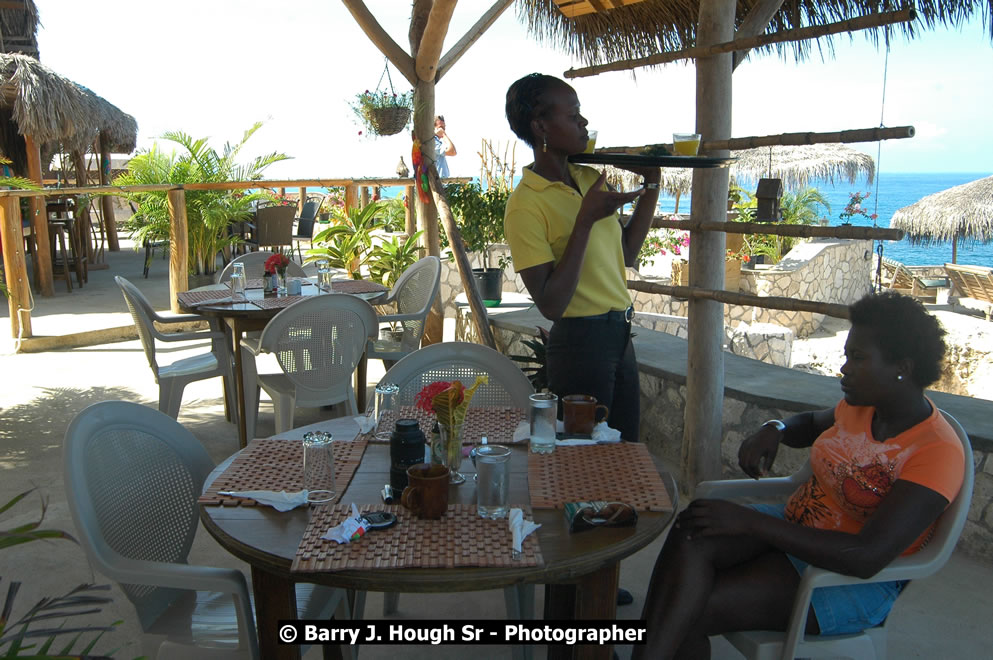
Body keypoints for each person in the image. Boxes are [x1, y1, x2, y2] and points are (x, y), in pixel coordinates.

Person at [634, 291, 965, 659]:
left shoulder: (936, 451)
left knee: (690, 608)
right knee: (695, 526)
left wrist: (752, 523)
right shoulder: (862, 408)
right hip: (800, 532)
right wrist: (774, 428)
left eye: (857, 358)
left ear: (901, 367)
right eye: (846, 355)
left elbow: (866, 556)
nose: (844, 368)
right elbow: (808, 424)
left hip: (847, 581)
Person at [503, 73, 661, 443]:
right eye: (573, 116)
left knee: (624, 450)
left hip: (619, 333)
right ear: (541, 126)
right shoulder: (525, 204)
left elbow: (626, 252)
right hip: (579, 344)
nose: (583, 123)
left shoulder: (590, 178)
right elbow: (551, 304)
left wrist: (652, 185)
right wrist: (585, 220)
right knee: (583, 463)